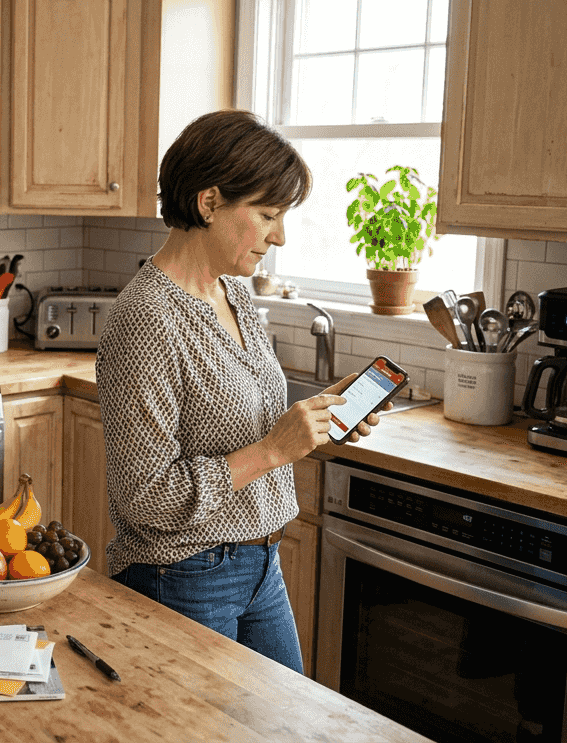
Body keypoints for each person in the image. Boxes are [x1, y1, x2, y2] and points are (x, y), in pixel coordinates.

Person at [95, 109, 385, 673]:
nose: (280, 235)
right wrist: (274, 450)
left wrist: (322, 414)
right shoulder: (147, 319)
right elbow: (143, 498)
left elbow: (247, 418)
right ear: (209, 203)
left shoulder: (235, 293)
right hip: (180, 576)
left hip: (261, 565)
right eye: (267, 214)